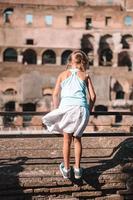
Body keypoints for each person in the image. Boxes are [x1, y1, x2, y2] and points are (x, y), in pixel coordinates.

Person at [42, 50, 96, 179]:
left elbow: (55, 94)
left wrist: (56, 109)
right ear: (83, 62)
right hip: (81, 110)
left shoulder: (62, 74)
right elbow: (93, 96)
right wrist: (90, 109)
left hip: (67, 108)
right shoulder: (85, 75)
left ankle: (66, 170)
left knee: (66, 141)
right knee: (77, 139)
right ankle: (77, 169)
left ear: (70, 61)